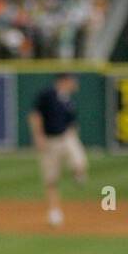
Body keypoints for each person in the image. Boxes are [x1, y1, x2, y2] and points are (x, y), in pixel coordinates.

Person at [28, 73, 88, 227]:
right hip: (50, 141)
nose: (75, 84)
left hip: (67, 138)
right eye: (72, 81)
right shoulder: (47, 95)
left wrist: (74, 135)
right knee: (51, 179)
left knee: (80, 162)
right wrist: (38, 136)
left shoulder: (68, 100)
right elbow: (35, 115)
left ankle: (78, 174)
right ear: (63, 81)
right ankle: (54, 211)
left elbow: (72, 122)